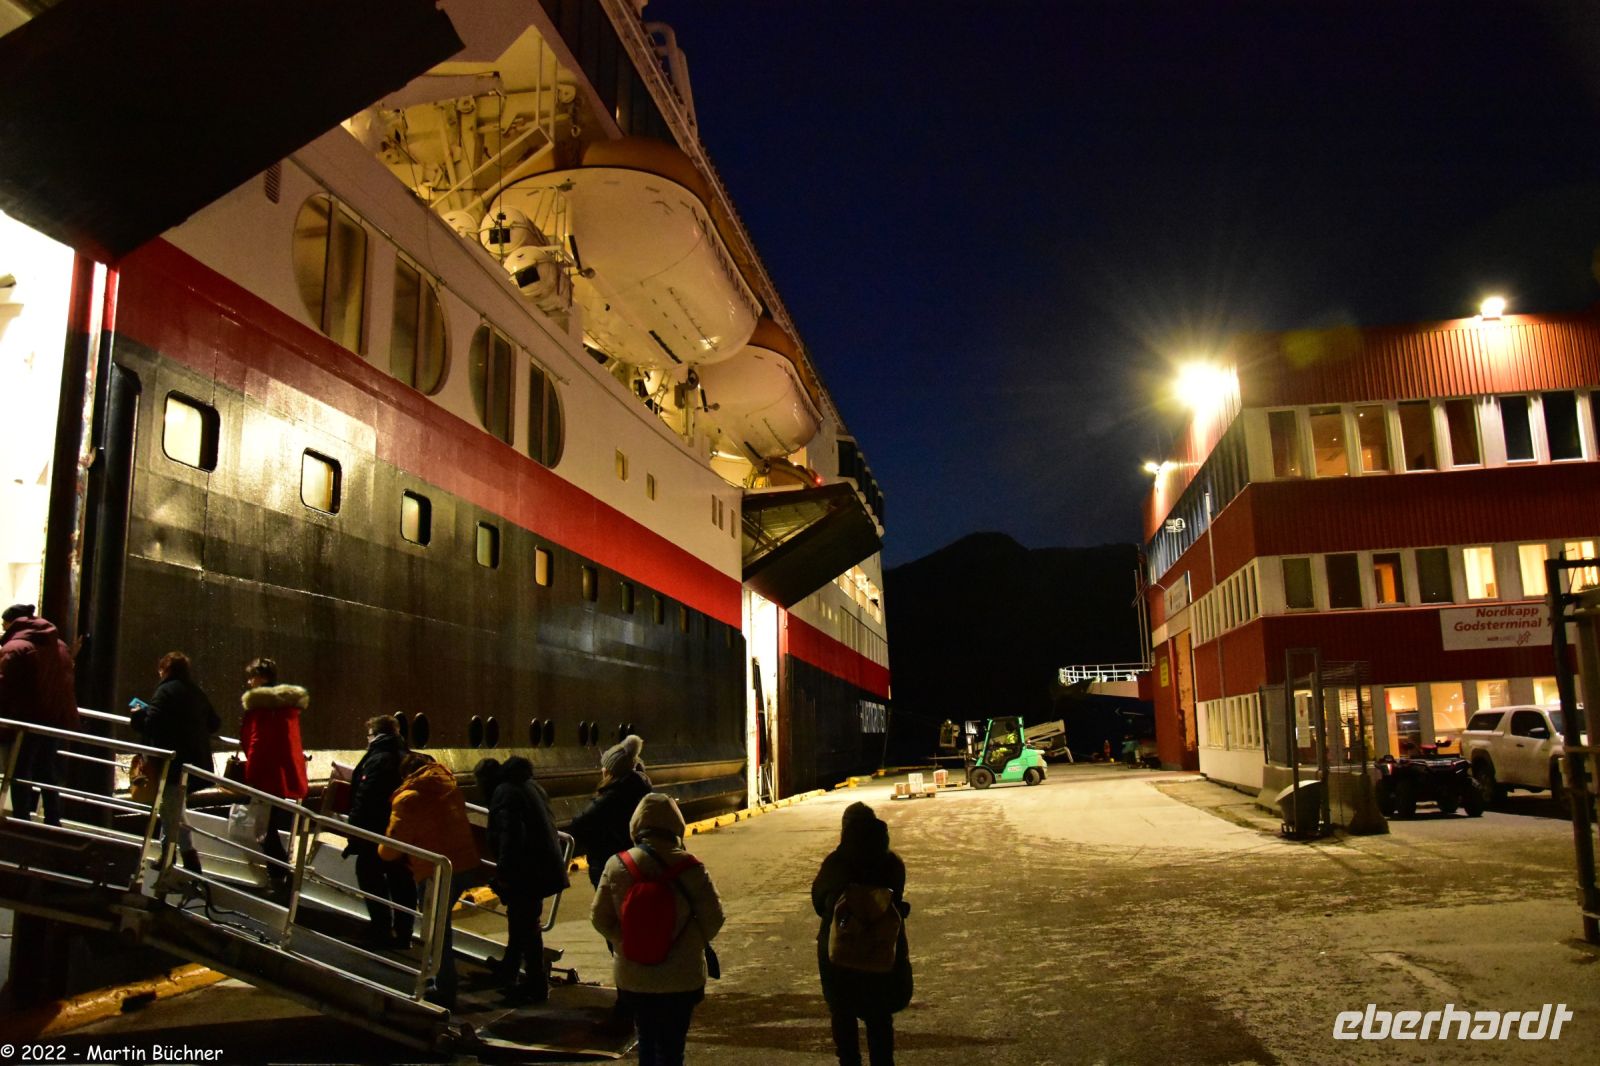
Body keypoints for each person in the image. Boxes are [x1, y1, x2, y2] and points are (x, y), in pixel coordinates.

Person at [592, 793, 724, 1066]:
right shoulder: (692, 867)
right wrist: (687, 943)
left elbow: (599, 918)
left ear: (636, 826)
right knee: (673, 1049)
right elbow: (715, 918)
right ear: (677, 826)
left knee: (647, 1043)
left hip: (635, 976)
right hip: (682, 978)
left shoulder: (618, 864)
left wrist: (628, 942)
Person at [379, 751, 482, 1010]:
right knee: (440, 928)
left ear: (406, 775)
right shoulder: (448, 785)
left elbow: (390, 849)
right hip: (463, 864)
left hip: (436, 871)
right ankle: (439, 979)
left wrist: (380, 848)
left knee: (437, 932)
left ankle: (444, 988)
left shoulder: (408, 797)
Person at [812, 802, 912, 1066]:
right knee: (879, 1019)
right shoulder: (892, 863)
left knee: (843, 1016)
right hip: (880, 950)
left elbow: (818, 901)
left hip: (842, 950)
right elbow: (897, 896)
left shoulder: (836, 863)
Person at [474, 755, 568, 1001]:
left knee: (526, 925)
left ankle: (536, 984)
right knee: (520, 921)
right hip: (541, 865)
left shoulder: (504, 793)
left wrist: (504, 873)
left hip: (529, 870)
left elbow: (511, 836)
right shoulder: (527, 785)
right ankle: (509, 968)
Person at [129, 651, 220, 872]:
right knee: (173, 808)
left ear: (165, 669)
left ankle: (187, 859)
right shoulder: (196, 692)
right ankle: (168, 855)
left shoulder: (165, 691)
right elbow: (215, 722)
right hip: (195, 763)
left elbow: (152, 723)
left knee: (169, 810)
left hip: (173, 763)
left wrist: (138, 714)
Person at [0, 604, 79, 826]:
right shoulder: (59, 644)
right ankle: (53, 819)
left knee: (19, 770)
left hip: (26, 719)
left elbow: (4, 685)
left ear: (11, 623)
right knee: (46, 769)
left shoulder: (15, 647)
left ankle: (21, 819)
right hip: (55, 720)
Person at [237, 657, 309, 892]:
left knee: (263, 829)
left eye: (252, 677)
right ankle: (282, 875)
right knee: (269, 827)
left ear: (262, 677)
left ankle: (280, 879)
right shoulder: (287, 708)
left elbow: (257, 742)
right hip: (281, 775)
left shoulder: (263, 707)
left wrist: (252, 774)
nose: (249, 682)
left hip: (266, 777)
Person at [343, 715, 414, 948]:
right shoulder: (406, 756)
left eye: (369, 734)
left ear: (375, 734)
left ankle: (381, 928)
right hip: (400, 829)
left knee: (368, 873)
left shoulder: (379, 758)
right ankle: (404, 933)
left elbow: (367, 795)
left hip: (376, 831)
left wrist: (353, 827)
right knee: (401, 879)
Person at [570, 733, 652, 889]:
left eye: (605, 766)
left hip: (608, 862)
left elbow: (580, 824)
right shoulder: (640, 790)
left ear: (612, 771)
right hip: (633, 861)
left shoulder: (610, 797)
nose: (602, 769)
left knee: (608, 910)